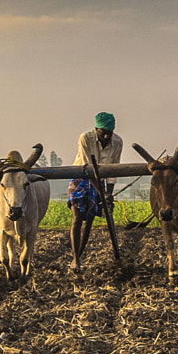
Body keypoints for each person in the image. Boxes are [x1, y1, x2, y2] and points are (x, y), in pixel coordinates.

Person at [69, 112, 123, 272]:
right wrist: (102, 192)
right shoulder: (85, 138)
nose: (106, 136)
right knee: (77, 216)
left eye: (109, 133)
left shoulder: (118, 142)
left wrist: (109, 195)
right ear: (96, 129)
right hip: (81, 176)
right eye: (102, 133)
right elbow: (87, 168)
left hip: (101, 181)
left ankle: (78, 256)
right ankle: (75, 259)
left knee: (89, 219)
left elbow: (113, 170)